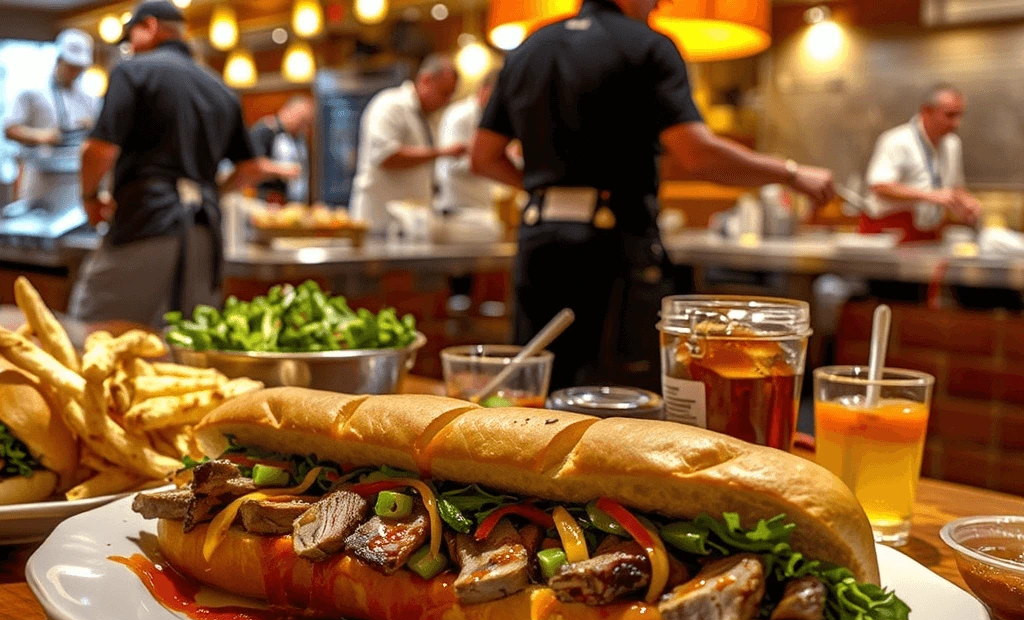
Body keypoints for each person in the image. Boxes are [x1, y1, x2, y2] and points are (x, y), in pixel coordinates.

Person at [470, 0, 835, 390]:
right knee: (618, 402)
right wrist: (791, 174)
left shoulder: (530, 48)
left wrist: (546, 190)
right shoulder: (649, 45)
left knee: (534, 387)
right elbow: (697, 155)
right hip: (613, 249)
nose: (661, 3)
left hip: (539, 242)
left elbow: (484, 157)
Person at [70, 1, 295, 327]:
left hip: (146, 220)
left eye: (131, 36)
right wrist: (214, 191)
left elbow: (97, 151)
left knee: (90, 332)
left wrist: (90, 198)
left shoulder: (133, 71)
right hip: (204, 229)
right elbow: (251, 169)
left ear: (149, 27)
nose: (129, 47)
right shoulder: (221, 88)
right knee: (187, 342)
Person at [349, 55, 465, 233]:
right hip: (380, 224)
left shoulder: (428, 118)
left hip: (409, 226)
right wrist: (442, 153)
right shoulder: (390, 105)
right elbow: (386, 156)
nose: (447, 101)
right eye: (444, 93)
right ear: (425, 80)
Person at [861, 84, 981, 244]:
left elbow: (955, 187)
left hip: (929, 232)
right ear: (926, 111)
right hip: (889, 232)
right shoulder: (897, 140)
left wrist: (966, 202)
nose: (956, 123)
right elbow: (879, 186)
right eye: (950, 115)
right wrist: (928, 195)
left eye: (960, 115)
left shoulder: (953, 144)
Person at [3, 29, 101, 201]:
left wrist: (92, 128)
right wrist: (40, 136)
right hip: (41, 178)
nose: (74, 73)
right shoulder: (32, 91)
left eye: (79, 69)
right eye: (71, 67)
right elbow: (9, 129)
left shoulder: (88, 98)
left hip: (75, 179)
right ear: (59, 60)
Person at [436, 70, 501, 215]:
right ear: (484, 89)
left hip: (480, 206)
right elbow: (451, 164)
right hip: (457, 207)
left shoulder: (486, 119)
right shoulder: (460, 116)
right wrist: (491, 160)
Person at [250, 96, 313, 204]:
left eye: (307, 123)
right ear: (287, 111)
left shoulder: (298, 138)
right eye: (302, 120)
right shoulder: (265, 130)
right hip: (265, 200)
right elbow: (253, 165)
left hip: (291, 201)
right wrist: (284, 170)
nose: (303, 126)